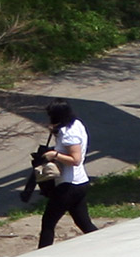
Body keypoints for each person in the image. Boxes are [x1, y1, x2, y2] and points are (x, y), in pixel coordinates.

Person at [38, 98, 99, 248]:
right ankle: (105, 247)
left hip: (68, 185)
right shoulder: (76, 124)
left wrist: (54, 155)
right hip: (79, 182)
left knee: (48, 223)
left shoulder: (69, 134)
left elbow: (75, 159)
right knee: (84, 223)